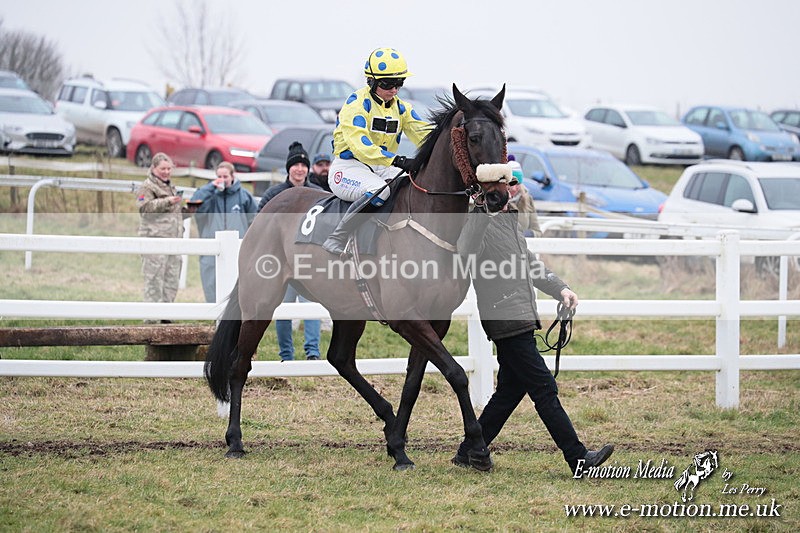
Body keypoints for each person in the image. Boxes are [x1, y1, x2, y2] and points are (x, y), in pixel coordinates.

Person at [452, 197, 614, 474]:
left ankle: (468, 451)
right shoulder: (478, 223)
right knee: (544, 387)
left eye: (513, 185)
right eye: (504, 187)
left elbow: (531, 265)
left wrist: (560, 289)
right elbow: (464, 252)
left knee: (509, 391)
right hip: (506, 318)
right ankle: (578, 459)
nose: (510, 193)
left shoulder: (509, 224)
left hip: (519, 317)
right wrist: (480, 211)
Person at [322, 47, 431, 255]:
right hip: (348, 167)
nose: (394, 90)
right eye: (388, 84)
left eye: (399, 83)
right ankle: (337, 237)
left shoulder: (402, 108)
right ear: (371, 81)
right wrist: (398, 160)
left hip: (381, 167)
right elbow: (361, 147)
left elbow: (426, 134)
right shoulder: (356, 104)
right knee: (380, 191)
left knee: (413, 186)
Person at [258, 141, 322, 361]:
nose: (300, 169)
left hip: (309, 262)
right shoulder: (274, 196)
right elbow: (259, 227)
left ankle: (312, 353)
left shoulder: (318, 195)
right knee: (283, 309)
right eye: (295, 165)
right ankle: (286, 355)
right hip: (282, 262)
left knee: (312, 307)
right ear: (288, 168)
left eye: (304, 165)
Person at [189, 161, 258, 303]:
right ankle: (216, 316)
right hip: (211, 246)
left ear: (233, 176)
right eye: (219, 176)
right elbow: (193, 204)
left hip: (238, 248)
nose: (222, 179)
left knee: (239, 283)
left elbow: (255, 219)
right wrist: (210, 187)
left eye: (225, 176)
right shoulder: (209, 195)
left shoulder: (244, 196)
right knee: (210, 282)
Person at [135, 152, 183, 320]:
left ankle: (166, 317)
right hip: (154, 241)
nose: (166, 172)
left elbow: (171, 216)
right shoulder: (147, 187)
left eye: (169, 168)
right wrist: (167, 201)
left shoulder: (170, 186)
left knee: (171, 280)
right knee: (154, 281)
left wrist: (187, 211)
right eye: (163, 168)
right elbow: (144, 209)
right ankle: (151, 319)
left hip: (173, 242)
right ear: (154, 168)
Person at [507, 157, 542, 238]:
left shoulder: (527, 199)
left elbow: (537, 231)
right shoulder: (497, 202)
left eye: (517, 184)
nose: (513, 188)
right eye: (510, 183)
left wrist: (529, 234)